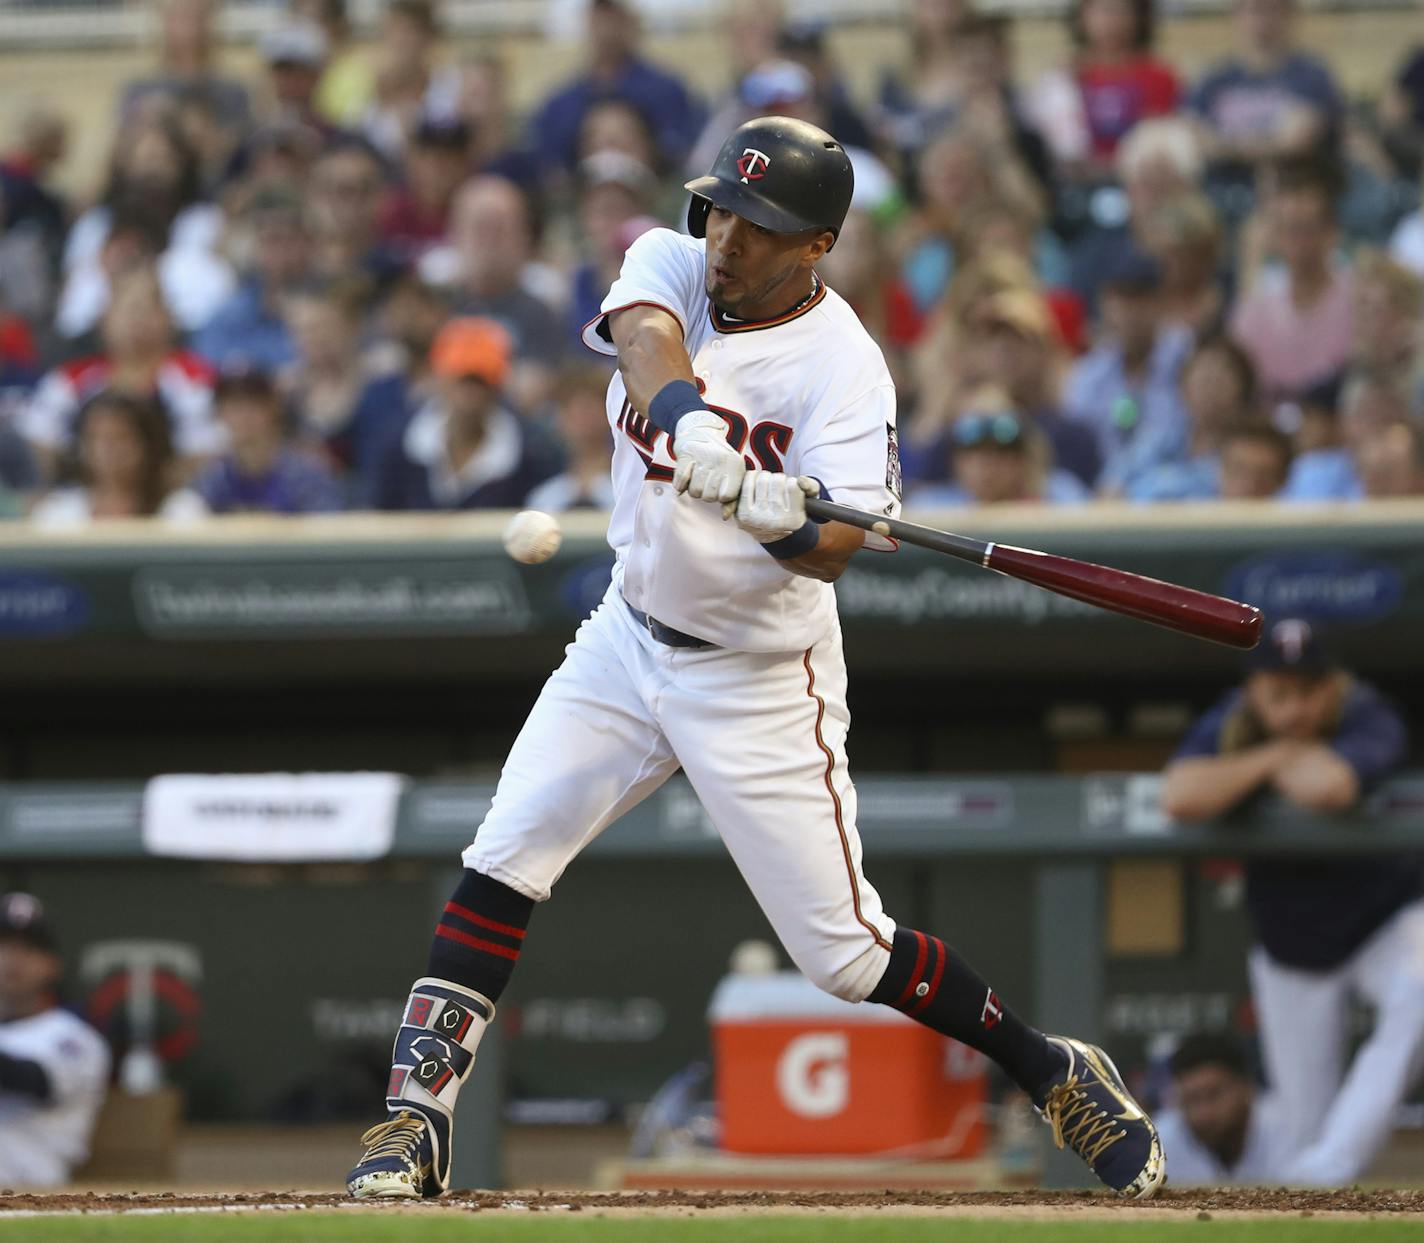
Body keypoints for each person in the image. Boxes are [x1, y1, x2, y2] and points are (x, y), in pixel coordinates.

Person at [345, 115, 1164, 1203]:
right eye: (722, 209)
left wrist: (778, 519)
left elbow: (832, 551)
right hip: (625, 639)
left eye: (761, 225)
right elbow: (641, 336)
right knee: (506, 849)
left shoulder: (845, 370)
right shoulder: (673, 259)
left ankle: (1050, 1067)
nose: (728, 239)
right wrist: (693, 429)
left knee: (845, 954)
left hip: (755, 673)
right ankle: (414, 1121)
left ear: (816, 245)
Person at [1160, 618, 1423, 1187]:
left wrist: (1254, 767)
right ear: (1253, 691)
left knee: (1422, 990)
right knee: (1305, 1127)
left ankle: (1327, 1173)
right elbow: (1179, 794)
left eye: (1310, 689)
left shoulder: (1365, 710)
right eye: (1279, 691)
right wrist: (1279, 756)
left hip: (1385, 918)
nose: (1297, 706)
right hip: (1293, 946)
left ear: (1334, 685)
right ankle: (1316, 1184)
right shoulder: (1232, 717)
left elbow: (1330, 787)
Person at [21, 267, 222, 480]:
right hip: (85, 496)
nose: (136, 320)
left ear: (168, 319)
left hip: (168, 498)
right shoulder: (70, 379)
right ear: (104, 319)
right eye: (125, 309)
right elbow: (39, 439)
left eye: (146, 309)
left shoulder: (194, 377)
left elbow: (202, 451)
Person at [373, 317, 561, 511]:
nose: (470, 392)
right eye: (461, 379)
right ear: (439, 377)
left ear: (498, 386)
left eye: (481, 381)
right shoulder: (399, 445)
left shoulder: (531, 454)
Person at [0, 894, 111, 1188]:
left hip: (33, 1200)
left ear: (52, 965)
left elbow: (33, 1079)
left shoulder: (75, 1039)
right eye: (4, 945)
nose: (13, 958)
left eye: (29, 949)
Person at [1063, 247, 1191, 493]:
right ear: (1104, 304)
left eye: (1141, 298)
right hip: (1102, 501)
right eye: (1121, 299)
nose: (1130, 312)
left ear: (1162, 301)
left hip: (1174, 498)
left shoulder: (1189, 358)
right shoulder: (1089, 374)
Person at [1189, 0, 1342, 197]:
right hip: (1217, 192)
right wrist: (1271, 143)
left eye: (1272, 10)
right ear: (1237, 15)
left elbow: (1298, 142)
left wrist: (1224, 145)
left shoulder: (1311, 76)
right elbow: (1194, 137)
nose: (1263, 21)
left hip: (1290, 194)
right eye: (1255, 10)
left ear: (1290, 15)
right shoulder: (1214, 78)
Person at [534, 0, 702, 179]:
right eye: (600, 19)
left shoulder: (667, 91)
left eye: (614, 19)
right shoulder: (560, 104)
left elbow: (681, 154)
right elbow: (550, 166)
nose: (607, 30)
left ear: (631, 23)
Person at [1229, 166, 1353, 405]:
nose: (1298, 242)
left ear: (1331, 233)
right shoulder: (1260, 301)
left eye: (1306, 229)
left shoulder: (1356, 297)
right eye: (1288, 230)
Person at [29, 390, 208, 526]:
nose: (107, 449)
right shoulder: (58, 513)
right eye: (96, 438)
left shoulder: (182, 509)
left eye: (121, 438)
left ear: (148, 445)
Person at [1122, 335, 1260, 501]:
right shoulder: (1158, 439)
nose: (1209, 389)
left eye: (1219, 380)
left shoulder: (1251, 453)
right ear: (1183, 387)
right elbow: (1111, 485)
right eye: (1203, 378)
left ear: (1243, 390)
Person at [192, 188, 312, 373]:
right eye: (272, 240)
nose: (282, 251)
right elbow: (206, 369)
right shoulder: (228, 314)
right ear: (254, 246)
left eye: (291, 239)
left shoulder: (331, 308)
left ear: (309, 243)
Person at [194, 368, 342, 514]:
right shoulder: (216, 475)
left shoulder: (305, 473)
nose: (244, 416)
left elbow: (328, 525)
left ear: (273, 408)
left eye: (254, 405)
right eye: (234, 406)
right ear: (220, 413)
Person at [1154, 1033, 1289, 1186]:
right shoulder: (1159, 1144)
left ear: (1246, 1087)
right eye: (1191, 1099)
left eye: (1214, 1094)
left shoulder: (1289, 1132)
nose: (1203, 1113)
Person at [909, 397, 1090, 507]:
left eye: (1001, 454)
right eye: (975, 454)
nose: (988, 466)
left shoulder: (1060, 495)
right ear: (956, 462)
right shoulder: (930, 506)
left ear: (1023, 459)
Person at [119, 0, 251, 133]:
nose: (189, 29)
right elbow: (125, 146)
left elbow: (244, 144)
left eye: (197, 17)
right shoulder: (141, 91)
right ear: (165, 21)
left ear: (209, 21)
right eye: (180, 18)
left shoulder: (233, 93)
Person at [525, 366, 616, 511]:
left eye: (590, 407)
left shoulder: (629, 486)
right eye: (571, 409)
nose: (583, 418)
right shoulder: (545, 497)